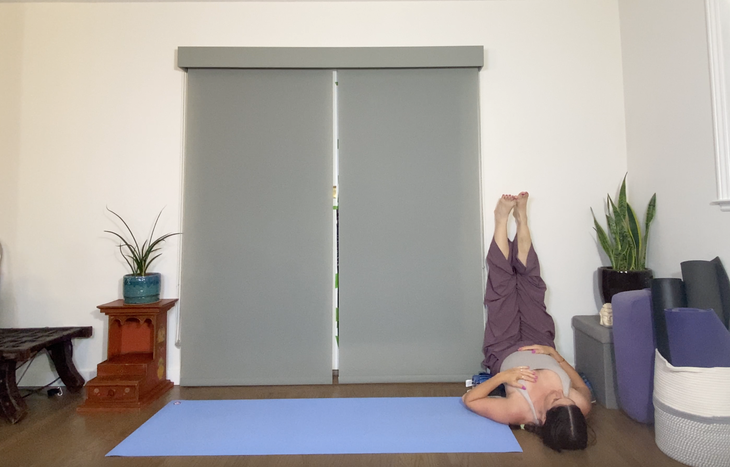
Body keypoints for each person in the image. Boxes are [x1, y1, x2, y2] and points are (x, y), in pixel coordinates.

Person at [462, 192, 592, 452]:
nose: (562, 396)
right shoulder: (578, 406)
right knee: (532, 283)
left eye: (556, 401)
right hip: (541, 342)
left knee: (501, 287)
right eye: (568, 400)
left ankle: (501, 219)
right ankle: (522, 219)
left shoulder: (519, 411)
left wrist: (503, 377)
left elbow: (470, 400)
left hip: (504, 347)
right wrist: (556, 355)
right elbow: (583, 390)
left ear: (543, 419)